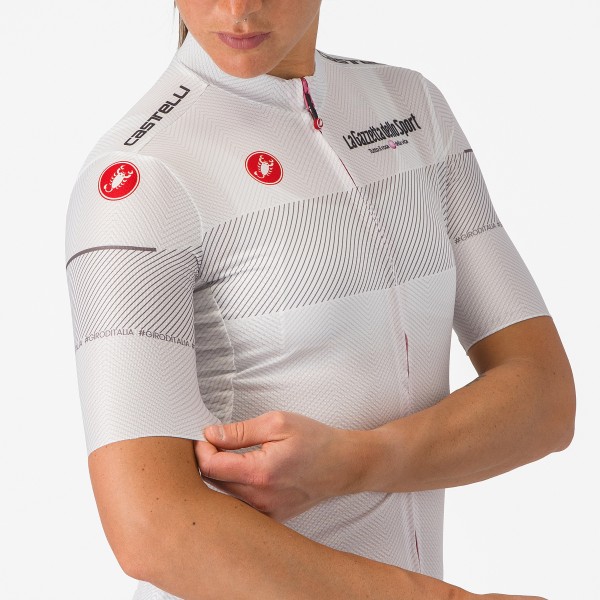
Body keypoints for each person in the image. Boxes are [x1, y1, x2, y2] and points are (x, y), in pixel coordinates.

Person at [64, 1, 575, 598]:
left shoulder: (411, 108)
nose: (238, 8)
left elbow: (546, 400)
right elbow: (152, 530)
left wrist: (356, 462)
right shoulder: (137, 178)